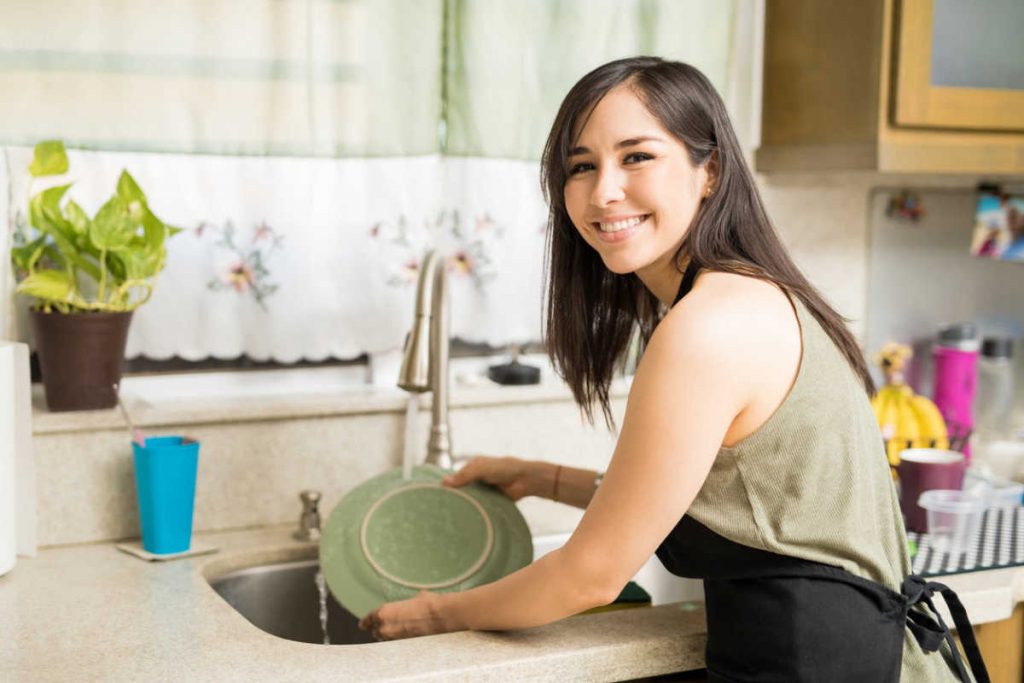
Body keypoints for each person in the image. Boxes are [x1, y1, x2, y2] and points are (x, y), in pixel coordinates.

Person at [357, 57, 987, 682]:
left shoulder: (707, 327)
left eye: (636, 157)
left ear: (708, 169)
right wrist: (540, 477)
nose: (604, 190)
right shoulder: (753, 295)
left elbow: (590, 575)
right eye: (582, 166)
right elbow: (723, 494)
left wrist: (429, 616)